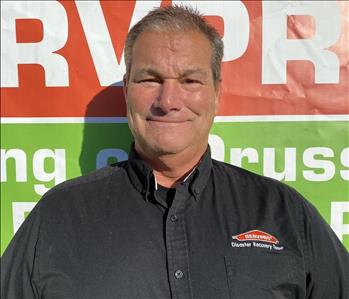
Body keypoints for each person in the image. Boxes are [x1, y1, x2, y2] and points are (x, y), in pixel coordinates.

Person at [1, 5, 349, 299]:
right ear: (127, 92)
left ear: (216, 94)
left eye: (190, 81)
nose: (168, 102)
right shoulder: (59, 217)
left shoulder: (284, 213)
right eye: (149, 79)